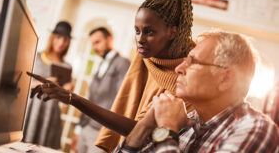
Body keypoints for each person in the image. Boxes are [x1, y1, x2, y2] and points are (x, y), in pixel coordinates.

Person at [27, 0, 195, 152]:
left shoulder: (187, 73)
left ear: (172, 32)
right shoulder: (146, 57)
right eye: (137, 31)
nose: (140, 40)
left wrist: (73, 99)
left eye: (149, 32)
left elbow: (143, 130)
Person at [113, 29, 279, 153]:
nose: (178, 68)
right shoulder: (185, 121)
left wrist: (166, 129)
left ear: (225, 78)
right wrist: (144, 126)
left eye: (192, 62)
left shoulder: (256, 127)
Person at [72, 27, 130, 153]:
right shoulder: (100, 65)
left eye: (97, 42)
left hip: (101, 132)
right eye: (92, 43)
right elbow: (91, 99)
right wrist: (79, 129)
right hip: (86, 128)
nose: (94, 47)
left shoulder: (122, 63)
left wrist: (109, 135)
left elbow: (122, 101)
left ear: (109, 39)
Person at [23, 21, 74, 149]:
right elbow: (23, 82)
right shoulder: (36, 56)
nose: (61, 42)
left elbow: (64, 99)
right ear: (52, 37)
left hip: (51, 112)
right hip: (31, 108)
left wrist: (67, 92)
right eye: (58, 37)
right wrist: (43, 82)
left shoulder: (67, 67)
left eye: (65, 40)